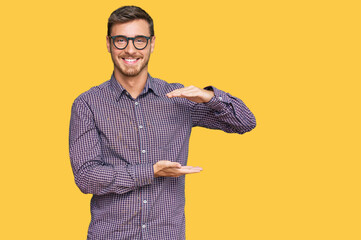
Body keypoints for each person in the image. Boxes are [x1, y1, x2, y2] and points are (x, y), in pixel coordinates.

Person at [69, 5, 256, 240]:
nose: (130, 50)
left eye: (139, 40)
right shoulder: (88, 104)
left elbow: (245, 122)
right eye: (120, 41)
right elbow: (86, 177)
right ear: (108, 44)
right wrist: (150, 172)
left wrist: (209, 96)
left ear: (152, 43)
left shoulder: (179, 99)